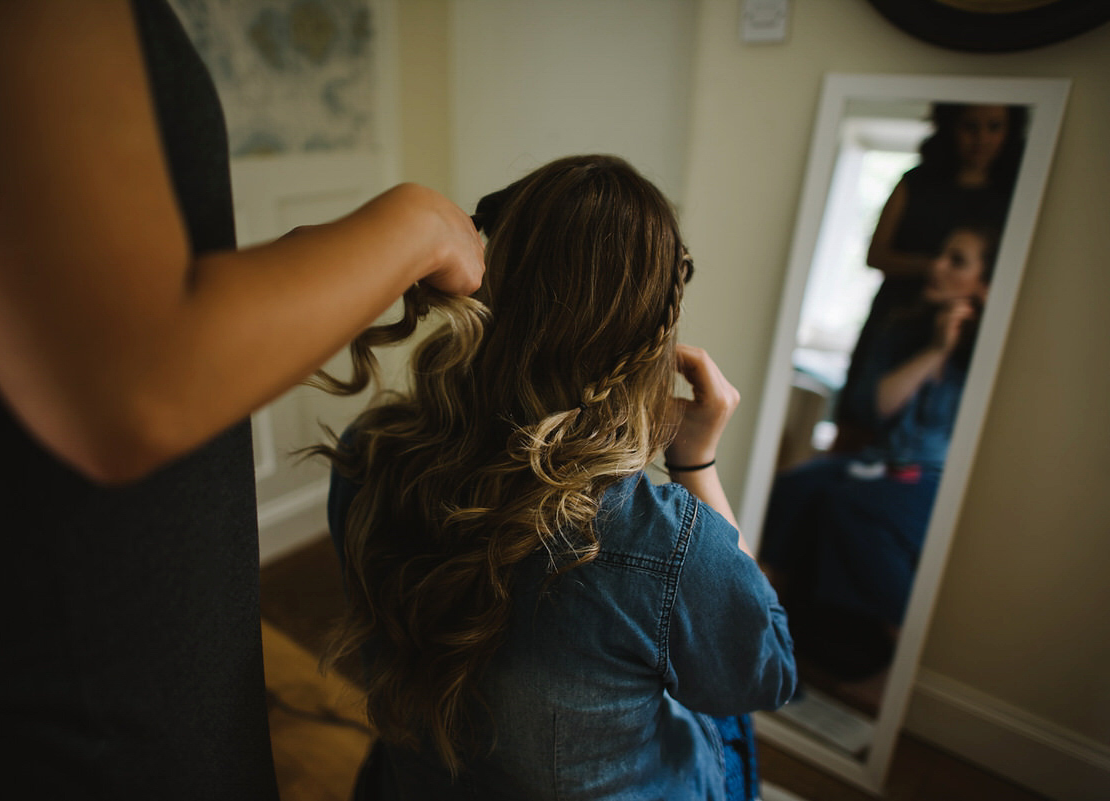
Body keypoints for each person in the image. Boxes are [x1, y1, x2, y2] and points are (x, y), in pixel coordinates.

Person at [0, 2, 483, 798]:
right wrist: (418, 223)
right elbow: (129, 380)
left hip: (129, 612)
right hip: (65, 646)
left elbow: (111, 294)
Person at [309, 155, 796, 800]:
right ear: (652, 332)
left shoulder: (372, 448)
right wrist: (695, 459)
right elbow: (762, 676)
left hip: (411, 783)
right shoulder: (662, 544)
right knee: (724, 706)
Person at [759, 223, 1000, 686]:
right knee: (794, 485)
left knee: (850, 507)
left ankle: (899, 659)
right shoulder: (902, 331)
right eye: (940, 254)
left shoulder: (992, 353)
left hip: (933, 479)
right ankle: (765, 621)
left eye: (957, 261)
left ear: (984, 285)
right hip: (877, 461)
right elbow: (878, 407)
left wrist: (955, 348)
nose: (937, 266)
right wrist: (933, 350)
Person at [834, 102, 1024, 450]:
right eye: (971, 126)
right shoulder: (918, 181)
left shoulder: (1015, 196)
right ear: (952, 127)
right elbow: (877, 253)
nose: (981, 139)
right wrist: (937, 270)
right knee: (858, 422)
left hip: (959, 323)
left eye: (994, 127)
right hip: (899, 311)